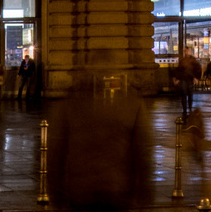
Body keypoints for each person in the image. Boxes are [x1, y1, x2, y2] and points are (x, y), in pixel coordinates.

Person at [48, 50, 147, 211]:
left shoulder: (71, 102)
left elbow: (56, 153)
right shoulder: (131, 102)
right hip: (114, 190)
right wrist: (143, 193)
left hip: (84, 191)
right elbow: (142, 151)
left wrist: (56, 195)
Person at [177, 48, 202, 112]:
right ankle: (188, 108)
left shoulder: (184, 60)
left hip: (187, 78)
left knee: (186, 93)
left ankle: (186, 109)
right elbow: (179, 70)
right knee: (187, 93)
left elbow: (179, 70)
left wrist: (196, 77)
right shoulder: (191, 60)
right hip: (187, 78)